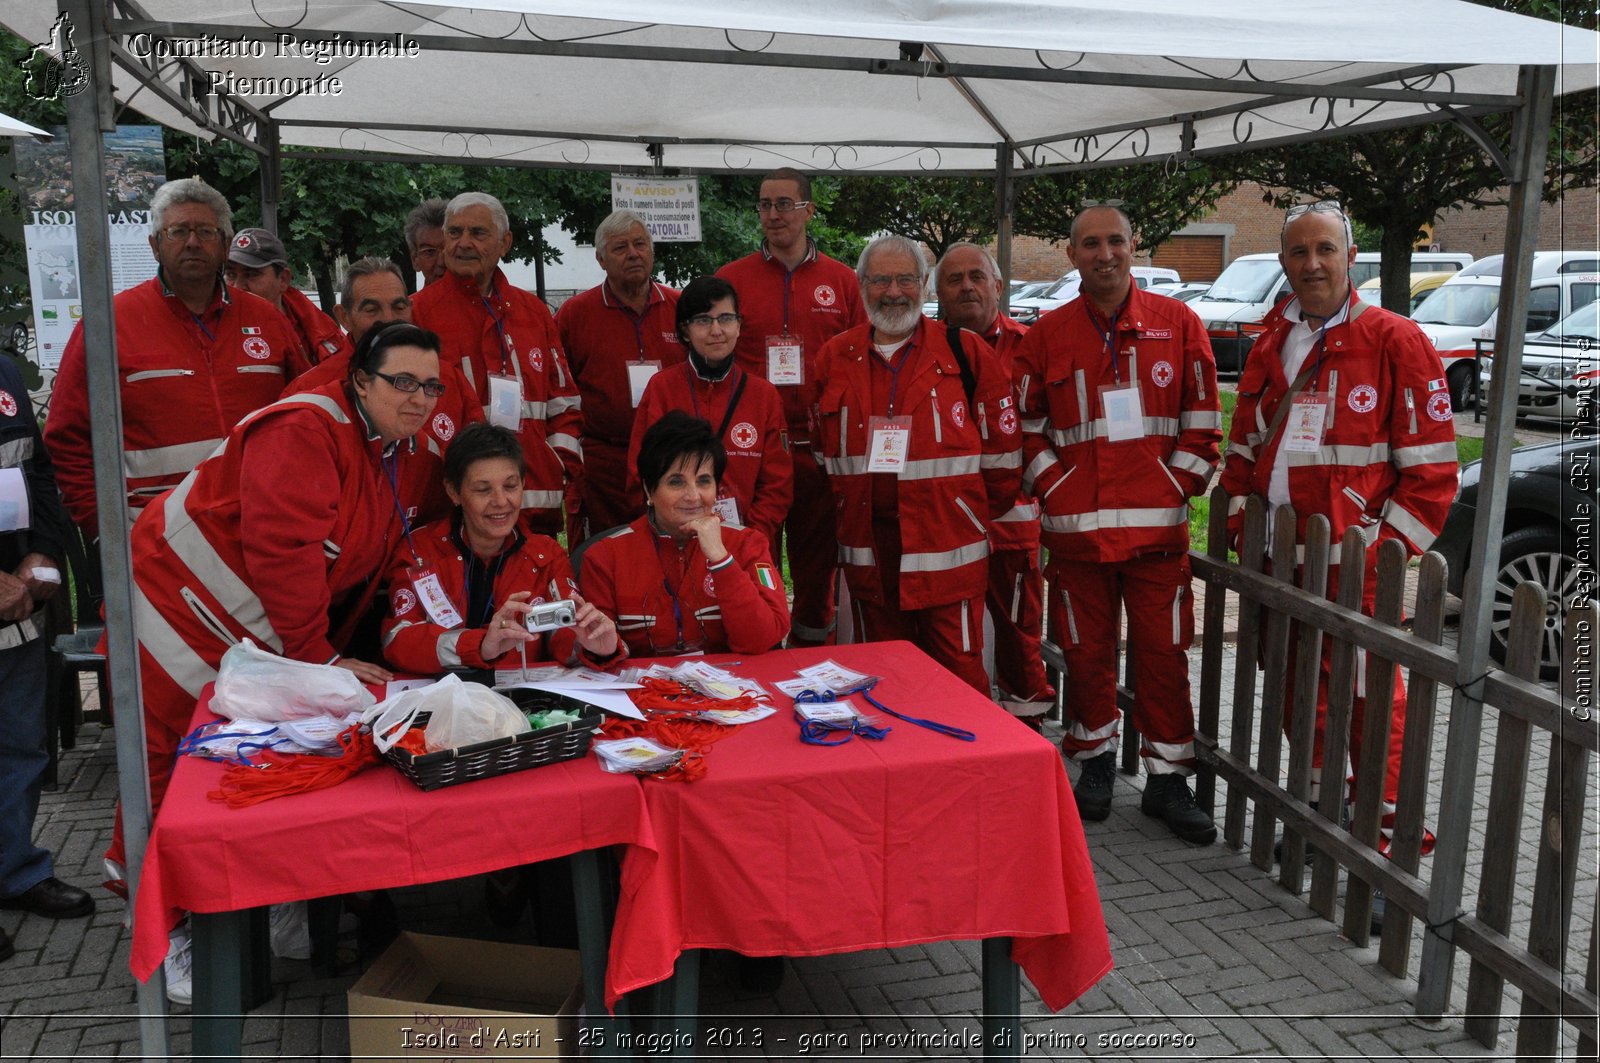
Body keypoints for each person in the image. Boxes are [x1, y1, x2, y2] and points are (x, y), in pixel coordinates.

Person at [107, 322, 448, 889]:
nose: (419, 398)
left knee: (220, 762)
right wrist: (319, 656)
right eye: (404, 381)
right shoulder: (305, 427)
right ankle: (153, 906)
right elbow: (284, 548)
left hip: (240, 625)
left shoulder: (387, 444)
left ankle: (220, 898)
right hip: (177, 607)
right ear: (362, 381)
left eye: (431, 387)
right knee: (170, 759)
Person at [1219, 200, 1458, 864]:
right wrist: (1240, 524)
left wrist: (1381, 555)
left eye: (1325, 249)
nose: (1312, 263)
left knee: (1370, 705)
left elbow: (1434, 474)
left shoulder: (1396, 340)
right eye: (1299, 252)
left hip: (1352, 569)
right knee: (1305, 700)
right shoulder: (1273, 338)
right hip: (1281, 563)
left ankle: (1388, 844)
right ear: (1283, 264)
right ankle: (1327, 821)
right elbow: (1244, 450)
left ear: (1352, 257)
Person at [1014, 205, 1221, 844]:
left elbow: (1204, 421)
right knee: (1086, 654)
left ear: (1134, 248)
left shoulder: (1179, 324)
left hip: (1157, 540)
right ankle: (1096, 764)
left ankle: (1167, 779)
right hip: (1076, 539)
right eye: (1090, 244)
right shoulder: (1044, 337)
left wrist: (1171, 488)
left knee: (1163, 658)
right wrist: (1058, 487)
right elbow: (1025, 430)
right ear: (1071, 254)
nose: (1104, 254)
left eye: (1115, 242)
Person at [814, 236, 1020, 696]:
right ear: (861, 286)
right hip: (871, 554)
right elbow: (823, 454)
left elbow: (1004, 461)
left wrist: (964, 516)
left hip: (949, 551)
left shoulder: (964, 352)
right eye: (880, 279)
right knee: (884, 682)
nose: (893, 291)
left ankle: (966, 767)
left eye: (905, 278)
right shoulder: (834, 357)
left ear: (924, 285)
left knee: (958, 682)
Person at [44, 178, 300, 536]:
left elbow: (304, 416)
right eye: (177, 231)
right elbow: (67, 438)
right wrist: (107, 530)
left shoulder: (267, 320)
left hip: (262, 528)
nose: (192, 242)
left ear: (225, 244)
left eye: (206, 231)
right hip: (156, 540)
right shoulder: (108, 323)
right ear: (155, 245)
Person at [717, 168, 863, 646]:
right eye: (764, 205)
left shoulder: (842, 281)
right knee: (747, 551)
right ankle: (755, 643)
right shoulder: (731, 280)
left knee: (816, 562)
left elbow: (861, 361)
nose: (773, 214)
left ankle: (809, 649)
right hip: (749, 449)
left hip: (816, 449)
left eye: (784, 204)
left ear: (808, 211)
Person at [381, 422, 621, 675]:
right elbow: (398, 639)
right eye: (483, 490)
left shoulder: (546, 554)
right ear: (453, 492)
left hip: (518, 703)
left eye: (510, 486)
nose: (500, 501)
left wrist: (591, 645)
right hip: (434, 700)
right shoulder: (419, 550)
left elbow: (561, 633)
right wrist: (481, 646)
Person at [934, 242, 1054, 726]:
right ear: (938, 293)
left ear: (998, 287)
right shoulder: (923, 349)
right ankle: (957, 728)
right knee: (948, 636)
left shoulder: (1030, 347)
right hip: (942, 525)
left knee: (1018, 633)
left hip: (1011, 523)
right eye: (954, 279)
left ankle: (1026, 733)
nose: (967, 287)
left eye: (977, 277)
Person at [411, 192, 581, 536]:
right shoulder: (417, 314)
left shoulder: (533, 312)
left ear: (505, 243)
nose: (463, 243)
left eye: (478, 233)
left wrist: (558, 462)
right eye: (455, 233)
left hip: (536, 504)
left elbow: (564, 403)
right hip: (456, 510)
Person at [0, 354, 93, 960]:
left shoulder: (4, 374)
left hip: (18, 605)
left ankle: (16, 872)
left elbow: (35, 473)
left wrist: (41, 556)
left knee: (21, 745)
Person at [580, 411, 789, 657]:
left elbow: (761, 640)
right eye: (676, 482)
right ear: (649, 489)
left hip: (733, 691)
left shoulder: (748, 544)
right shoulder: (605, 556)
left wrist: (722, 560)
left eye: (703, 481)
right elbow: (600, 646)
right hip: (642, 691)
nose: (693, 496)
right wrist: (606, 650)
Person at [293, 257, 477, 525]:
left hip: (435, 548)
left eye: (398, 306)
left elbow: (477, 461)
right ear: (344, 317)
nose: (388, 319)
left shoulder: (447, 378)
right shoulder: (310, 390)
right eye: (372, 309)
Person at [628, 277, 792, 557]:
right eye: (703, 320)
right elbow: (640, 471)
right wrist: (671, 533)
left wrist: (749, 537)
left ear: (739, 326)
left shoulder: (763, 395)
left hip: (746, 544)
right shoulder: (663, 388)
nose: (716, 330)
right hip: (675, 545)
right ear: (685, 330)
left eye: (725, 318)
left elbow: (777, 483)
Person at [556, 210, 686, 545]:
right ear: (600, 259)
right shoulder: (576, 314)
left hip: (671, 460)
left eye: (640, 244)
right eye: (620, 248)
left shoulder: (679, 308)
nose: (633, 253)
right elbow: (559, 388)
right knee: (604, 554)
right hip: (604, 465)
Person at [226, 227, 352, 371]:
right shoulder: (214, 331)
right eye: (230, 274)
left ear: (283, 279)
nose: (238, 287)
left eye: (251, 274)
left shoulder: (317, 330)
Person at [405, 198, 449, 287]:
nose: (441, 262)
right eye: (430, 252)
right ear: (414, 260)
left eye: (448, 250)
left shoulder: (483, 300)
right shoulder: (412, 301)